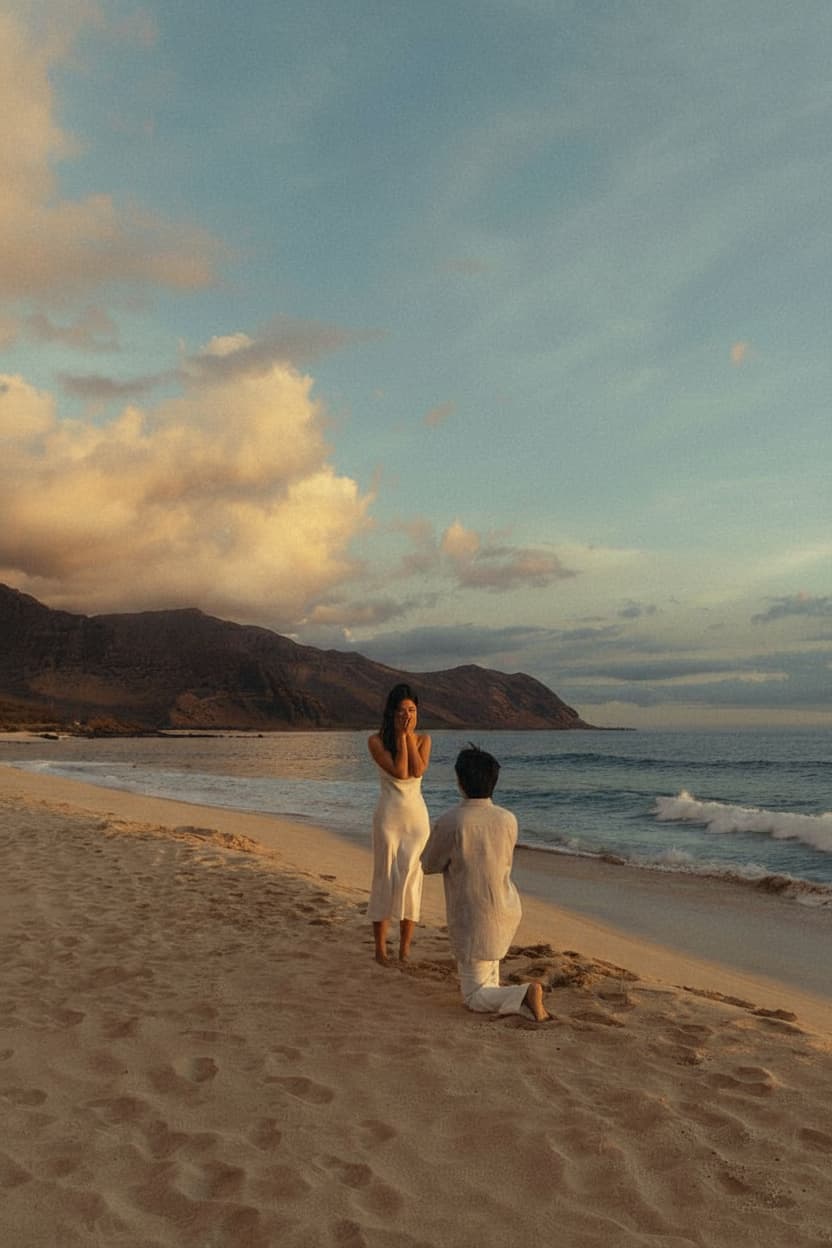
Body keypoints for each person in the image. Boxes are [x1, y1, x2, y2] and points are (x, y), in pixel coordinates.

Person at [421, 744, 551, 1021]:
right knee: (487, 976)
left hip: (472, 915)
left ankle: (526, 992)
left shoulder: (452, 821)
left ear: (460, 781)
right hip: (505, 907)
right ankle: (521, 1000)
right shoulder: (507, 819)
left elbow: (428, 864)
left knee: (474, 997)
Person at [367, 683, 432, 964]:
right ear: (391, 713)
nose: (408, 715)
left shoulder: (424, 739)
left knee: (411, 880)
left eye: (412, 710)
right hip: (389, 818)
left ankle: (404, 949)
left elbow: (418, 769)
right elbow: (401, 772)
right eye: (402, 710)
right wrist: (402, 736)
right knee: (384, 877)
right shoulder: (376, 741)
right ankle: (380, 949)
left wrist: (409, 737)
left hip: (416, 819)